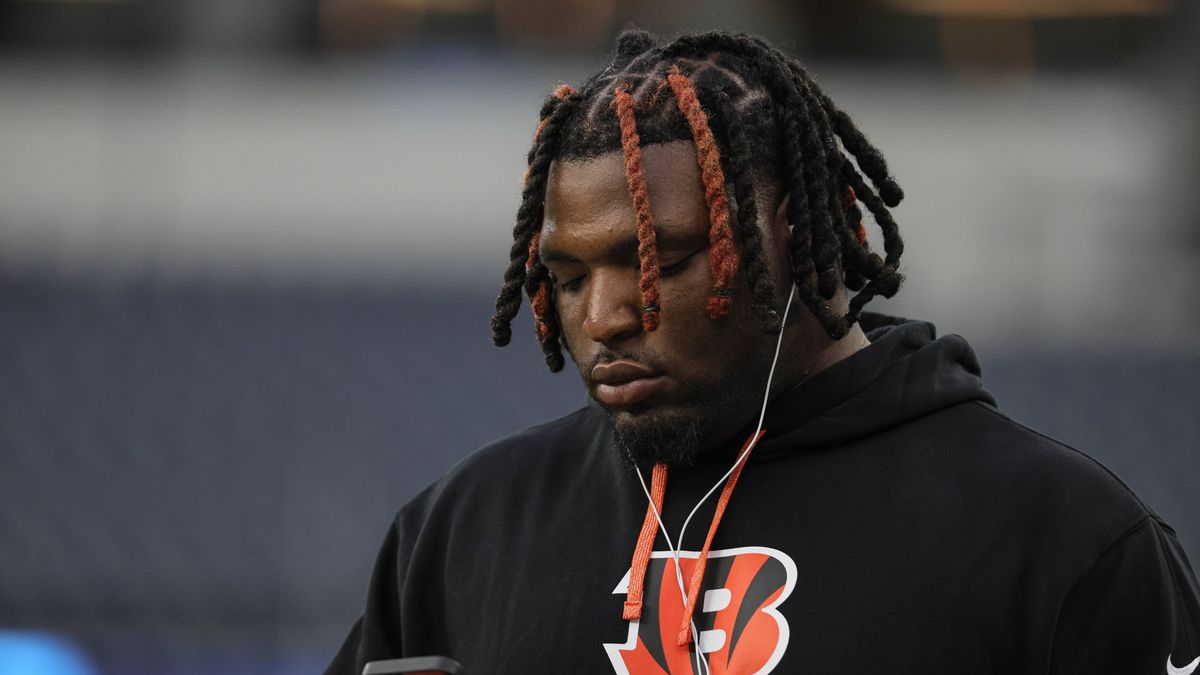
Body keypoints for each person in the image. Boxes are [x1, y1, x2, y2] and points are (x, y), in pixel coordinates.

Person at [327, 28, 1200, 674]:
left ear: (791, 238)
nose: (604, 316)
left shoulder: (1056, 538)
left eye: (660, 261)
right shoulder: (461, 535)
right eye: (565, 275)